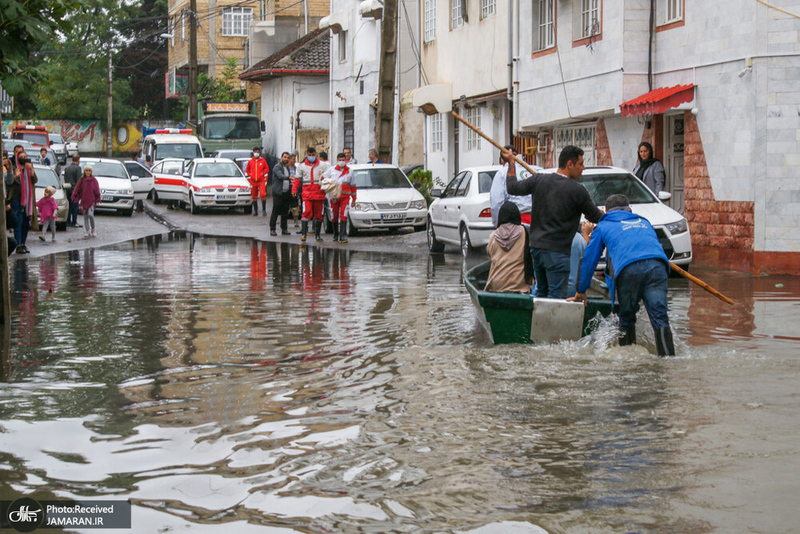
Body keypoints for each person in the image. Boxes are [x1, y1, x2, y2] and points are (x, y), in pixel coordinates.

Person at [569, 194, 675, 356]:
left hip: (629, 269)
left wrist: (581, 290)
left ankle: (628, 362)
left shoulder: (604, 226)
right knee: (660, 318)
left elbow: (589, 259)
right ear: (629, 208)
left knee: (626, 319)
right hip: (658, 266)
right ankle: (669, 360)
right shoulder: (644, 222)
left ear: (605, 211)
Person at [503, 145, 603, 299]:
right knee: (556, 298)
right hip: (557, 252)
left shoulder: (539, 179)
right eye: (581, 164)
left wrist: (510, 163)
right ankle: (550, 324)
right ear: (569, 164)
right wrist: (609, 215)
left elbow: (512, 187)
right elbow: (596, 217)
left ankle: (536, 323)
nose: (583, 168)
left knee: (541, 293)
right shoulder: (577, 190)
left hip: (536, 250)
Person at [485, 201, 534, 293]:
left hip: (496, 286)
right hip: (519, 286)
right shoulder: (524, 232)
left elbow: (490, 254)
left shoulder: (493, 236)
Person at [490, 145, 537, 227]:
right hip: (538, 225)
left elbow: (496, 204)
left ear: (502, 159)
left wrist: (498, 224)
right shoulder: (535, 171)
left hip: (515, 226)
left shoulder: (502, 174)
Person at [292, 147, 329, 242]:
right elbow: (297, 179)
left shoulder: (323, 165)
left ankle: (317, 235)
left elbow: (328, 177)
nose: (311, 157)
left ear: (316, 154)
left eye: (313, 155)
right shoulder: (302, 166)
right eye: (309, 155)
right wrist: (294, 189)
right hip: (307, 194)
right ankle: (304, 234)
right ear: (306, 155)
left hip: (319, 194)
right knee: (306, 213)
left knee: (319, 215)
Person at [323, 153, 358, 243]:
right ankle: (335, 235)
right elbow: (324, 181)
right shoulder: (331, 170)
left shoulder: (350, 171)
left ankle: (342, 236)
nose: (341, 161)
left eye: (343, 160)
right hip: (334, 197)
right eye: (340, 160)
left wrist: (354, 199)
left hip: (345, 197)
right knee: (334, 215)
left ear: (345, 160)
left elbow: (353, 186)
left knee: (344, 215)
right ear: (337, 160)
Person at [7, 151, 38, 254]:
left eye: (25, 157)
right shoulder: (15, 168)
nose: (24, 158)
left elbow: (35, 180)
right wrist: (16, 175)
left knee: (25, 223)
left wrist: (32, 169)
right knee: (18, 222)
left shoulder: (29, 169)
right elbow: (9, 183)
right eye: (21, 157)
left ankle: (23, 243)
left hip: (28, 201)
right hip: (16, 200)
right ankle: (18, 244)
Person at [567, 221, 595, 297]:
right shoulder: (578, 239)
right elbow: (589, 258)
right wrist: (586, 234)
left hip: (548, 289)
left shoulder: (546, 236)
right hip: (572, 291)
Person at [72, 165, 101, 238]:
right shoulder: (81, 180)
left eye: (89, 171)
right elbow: (77, 188)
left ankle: (93, 229)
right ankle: (87, 230)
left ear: (91, 172)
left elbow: (96, 189)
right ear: (84, 172)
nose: (88, 172)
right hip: (84, 200)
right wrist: (75, 195)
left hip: (91, 200)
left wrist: (97, 196)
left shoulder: (94, 180)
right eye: (86, 171)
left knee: (90, 215)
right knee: (85, 216)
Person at [270, 151, 293, 236]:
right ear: (281, 158)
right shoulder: (277, 167)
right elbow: (280, 176)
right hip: (278, 192)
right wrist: (288, 178)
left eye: (287, 157)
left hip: (286, 192)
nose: (286, 159)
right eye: (285, 157)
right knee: (275, 211)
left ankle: (284, 228)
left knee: (285, 212)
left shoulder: (287, 167)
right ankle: (272, 229)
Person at [246, 146, 269, 216]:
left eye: (258, 152)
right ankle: (255, 211)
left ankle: (264, 211)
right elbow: (247, 170)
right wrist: (251, 174)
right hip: (253, 180)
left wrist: (262, 173)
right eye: (255, 152)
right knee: (254, 195)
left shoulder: (263, 161)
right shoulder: (250, 161)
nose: (256, 153)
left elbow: (267, 169)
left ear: (259, 153)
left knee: (263, 194)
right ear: (253, 153)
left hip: (261, 180)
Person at [63, 154, 82, 227]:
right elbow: (79, 180)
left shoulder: (67, 168)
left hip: (67, 189)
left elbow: (65, 178)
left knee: (69, 206)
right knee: (75, 206)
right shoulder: (78, 168)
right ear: (78, 160)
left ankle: (68, 221)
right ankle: (74, 221)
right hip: (75, 189)